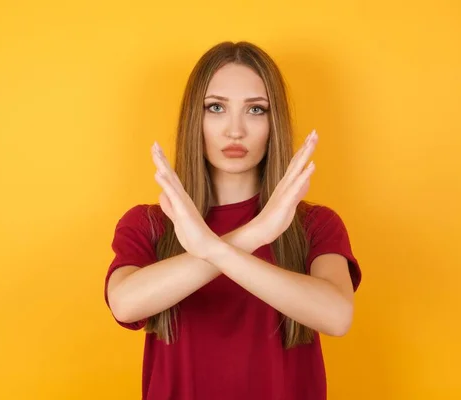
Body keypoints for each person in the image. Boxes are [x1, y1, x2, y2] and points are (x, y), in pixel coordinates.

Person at [104, 41, 362, 400]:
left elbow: (337, 316)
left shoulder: (315, 225)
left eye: (256, 110)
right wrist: (255, 234)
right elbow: (125, 304)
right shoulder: (151, 223)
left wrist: (213, 249)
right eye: (216, 108)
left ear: (275, 123)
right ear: (196, 117)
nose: (235, 130)